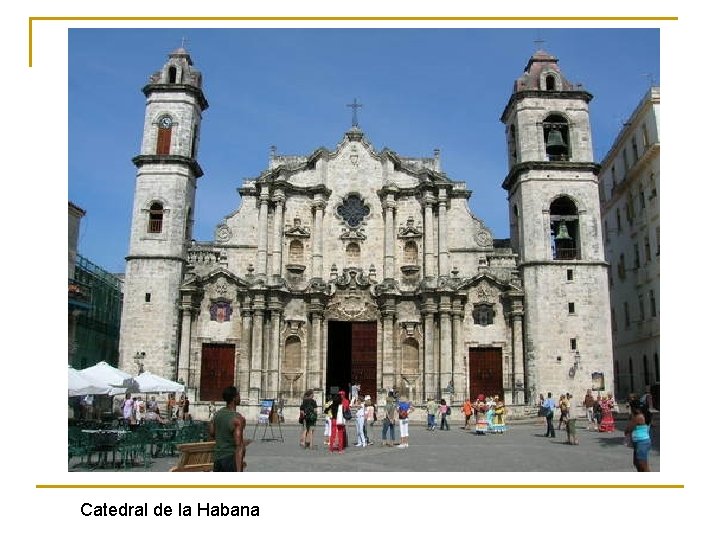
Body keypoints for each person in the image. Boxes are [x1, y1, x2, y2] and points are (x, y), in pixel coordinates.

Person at [209, 386, 247, 472]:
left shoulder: (217, 415)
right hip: (230, 459)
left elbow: (212, 433)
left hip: (217, 459)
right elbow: (239, 447)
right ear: (234, 398)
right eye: (238, 395)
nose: (240, 398)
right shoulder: (237, 419)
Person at [624, 400, 651, 471]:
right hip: (641, 441)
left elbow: (628, 428)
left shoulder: (638, 417)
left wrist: (631, 417)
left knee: (642, 464)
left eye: (631, 408)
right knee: (637, 463)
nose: (630, 409)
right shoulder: (643, 414)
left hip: (641, 442)